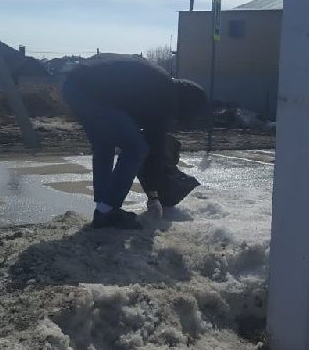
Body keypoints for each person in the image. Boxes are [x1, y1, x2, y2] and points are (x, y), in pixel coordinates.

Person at [62, 54, 208, 229]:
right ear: (186, 104)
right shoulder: (164, 97)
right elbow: (154, 149)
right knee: (136, 148)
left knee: (104, 146)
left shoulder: (160, 83)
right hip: (93, 93)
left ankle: (103, 207)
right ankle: (107, 211)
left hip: (74, 84)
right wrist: (154, 197)